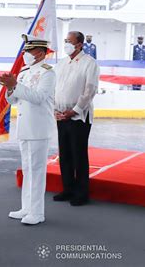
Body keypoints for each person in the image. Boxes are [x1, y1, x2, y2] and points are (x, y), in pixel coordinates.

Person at [0, 34, 55, 225]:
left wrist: (15, 86)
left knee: (37, 170)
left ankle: (37, 213)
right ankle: (26, 208)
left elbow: (38, 97)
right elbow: (13, 100)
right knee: (28, 169)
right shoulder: (23, 72)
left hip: (38, 128)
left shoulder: (48, 73)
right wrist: (10, 87)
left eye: (28, 51)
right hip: (25, 127)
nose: (25, 54)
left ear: (39, 53)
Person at [53, 31, 100, 206]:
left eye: (69, 41)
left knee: (78, 154)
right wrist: (55, 110)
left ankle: (81, 193)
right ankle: (68, 189)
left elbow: (90, 90)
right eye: (65, 40)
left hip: (78, 117)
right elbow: (54, 87)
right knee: (64, 154)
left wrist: (75, 110)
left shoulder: (90, 63)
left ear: (79, 44)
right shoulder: (62, 63)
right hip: (60, 115)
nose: (66, 44)